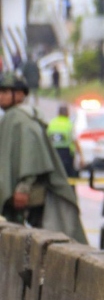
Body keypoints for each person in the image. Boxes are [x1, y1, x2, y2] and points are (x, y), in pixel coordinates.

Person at [0, 73, 87, 243]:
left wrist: (23, 188)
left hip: (29, 194)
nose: (0, 96)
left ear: (19, 94)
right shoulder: (19, 116)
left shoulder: (19, 118)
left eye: (5, 91)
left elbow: (32, 153)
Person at [47, 106, 82, 178]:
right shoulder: (69, 124)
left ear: (58, 114)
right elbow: (74, 140)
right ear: (67, 114)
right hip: (67, 154)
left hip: (53, 153)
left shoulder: (51, 123)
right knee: (68, 176)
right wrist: (81, 156)